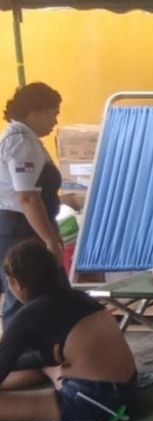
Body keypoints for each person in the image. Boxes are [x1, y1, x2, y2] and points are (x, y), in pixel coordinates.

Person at [0, 239, 137, 421]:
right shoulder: (81, 299)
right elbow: (38, 359)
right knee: (45, 365)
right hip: (128, 390)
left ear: (16, 282)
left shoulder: (28, 316)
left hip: (95, 401)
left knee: (40, 367)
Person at [0, 82, 64, 324]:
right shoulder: (21, 143)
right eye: (53, 113)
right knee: (25, 296)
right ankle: (18, 358)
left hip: (28, 227)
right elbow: (27, 197)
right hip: (21, 230)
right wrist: (49, 239)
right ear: (36, 110)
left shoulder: (26, 139)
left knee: (44, 296)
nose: (55, 121)